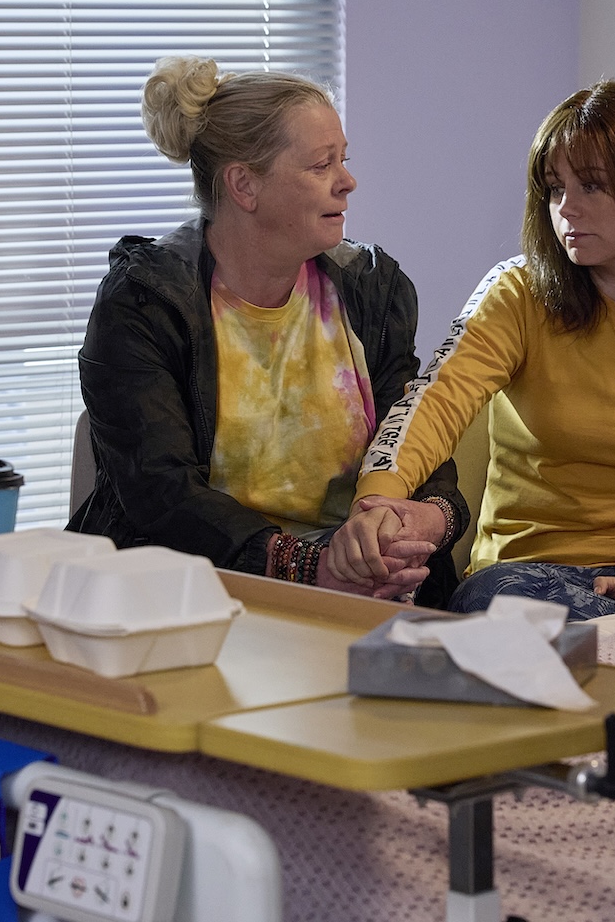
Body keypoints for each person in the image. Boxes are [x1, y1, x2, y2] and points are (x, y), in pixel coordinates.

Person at [341, 81, 615, 620]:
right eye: (554, 188)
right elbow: (434, 401)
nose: (566, 208)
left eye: (592, 186)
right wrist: (379, 500)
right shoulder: (516, 291)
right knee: (517, 609)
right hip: (531, 576)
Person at [70, 56, 468, 606]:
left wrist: (426, 519)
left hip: (364, 589)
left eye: (344, 160)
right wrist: (311, 567)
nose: (347, 182)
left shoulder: (372, 290)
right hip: (199, 593)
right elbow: (161, 493)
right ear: (244, 185)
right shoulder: (145, 303)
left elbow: (414, 440)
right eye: (321, 165)